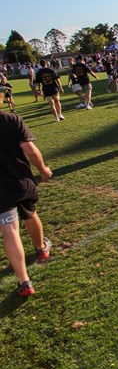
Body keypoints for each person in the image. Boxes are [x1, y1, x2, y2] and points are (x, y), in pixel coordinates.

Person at [0, 84, 53, 296]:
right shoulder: (11, 120)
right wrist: (43, 170)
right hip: (19, 180)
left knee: (9, 229)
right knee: (29, 213)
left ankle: (24, 282)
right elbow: (30, 150)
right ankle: (41, 249)